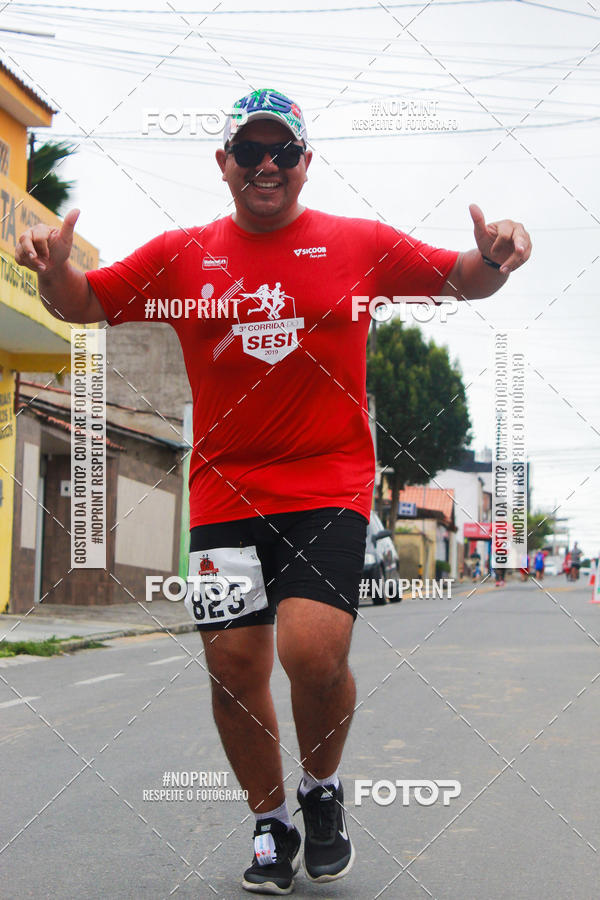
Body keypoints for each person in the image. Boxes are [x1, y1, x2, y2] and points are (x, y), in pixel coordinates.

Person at [16, 88, 531, 895]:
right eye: (250, 151)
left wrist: (497, 255)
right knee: (232, 668)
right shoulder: (184, 255)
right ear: (223, 163)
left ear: (304, 164)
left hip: (328, 481)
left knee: (311, 653)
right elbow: (88, 304)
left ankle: (320, 792)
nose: (267, 166)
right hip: (225, 491)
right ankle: (270, 823)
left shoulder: (355, 244)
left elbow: (460, 278)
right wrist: (55, 274)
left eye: (283, 151)